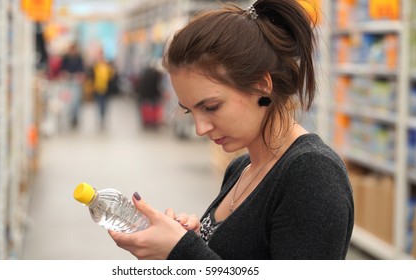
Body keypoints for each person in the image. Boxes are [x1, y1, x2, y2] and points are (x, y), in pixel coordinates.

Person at [109, 0, 354, 260]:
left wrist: (181, 251)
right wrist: (192, 239)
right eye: (191, 111)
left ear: (261, 85)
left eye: (212, 107)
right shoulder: (240, 169)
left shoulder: (312, 174)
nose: (200, 128)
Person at [87, 50, 116, 129]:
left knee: (105, 104)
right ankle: (100, 118)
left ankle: (103, 118)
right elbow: (92, 76)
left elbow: (112, 77)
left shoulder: (108, 66)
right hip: (97, 88)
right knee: (99, 104)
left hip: (106, 89)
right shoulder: (95, 66)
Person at [60, 43, 85, 129]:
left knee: (76, 101)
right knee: (68, 101)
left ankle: (75, 117)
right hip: (68, 82)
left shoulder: (79, 58)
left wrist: (79, 76)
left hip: (76, 82)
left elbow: (82, 70)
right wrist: (65, 74)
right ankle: (70, 117)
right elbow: (62, 69)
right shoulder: (66, 58)